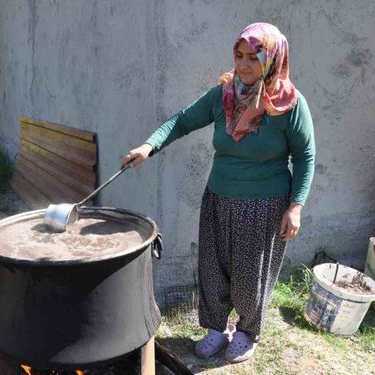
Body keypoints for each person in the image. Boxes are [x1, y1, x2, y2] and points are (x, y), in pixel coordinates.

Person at [122, 22, 315, 363]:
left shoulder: (289, 104)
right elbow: (182, 121)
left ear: (272, 59)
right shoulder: (224, 95)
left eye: (253, 58)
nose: (243, 65)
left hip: (264, 204)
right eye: (239, 56)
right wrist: (148, 146)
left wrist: (295, 206)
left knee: (248, 274)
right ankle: (216, 328)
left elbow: (305, 155)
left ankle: (246, 332)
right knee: (212, 267)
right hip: (218, 196)